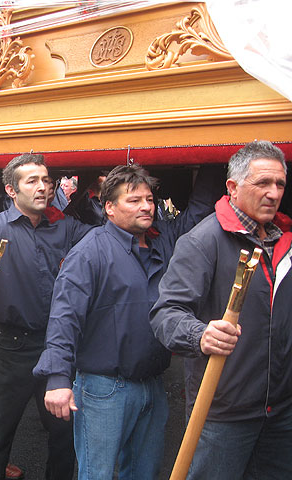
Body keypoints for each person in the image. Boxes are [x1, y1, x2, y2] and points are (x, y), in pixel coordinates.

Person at [33, 162, 222, 479]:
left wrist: (217, 156)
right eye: (134, 200)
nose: (146, 207)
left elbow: (198, 214)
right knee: (98, 473)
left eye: (149, 199)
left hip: (152, 385)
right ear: (108, 207)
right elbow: (64, 319)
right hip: (104, 388)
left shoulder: (163, 243)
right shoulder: (89, 253)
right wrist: (57, 379)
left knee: (145, 472)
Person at [150, 140, 292, 479]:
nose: (273, 193)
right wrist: (201, 334)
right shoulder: (203, 241)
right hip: (223, 411)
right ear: (233, 186)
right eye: (263, 183)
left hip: (281, 410)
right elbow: (165, 313)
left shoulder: (284, 242)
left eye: (280, 184)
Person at [0, 153, 92, 480]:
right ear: (12, 191)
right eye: (32, 181)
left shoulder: (65, 227)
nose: (43, 187)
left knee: (64, 433)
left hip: (59, 348)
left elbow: (101, 245)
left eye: (46, 180)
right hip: (11, 348)